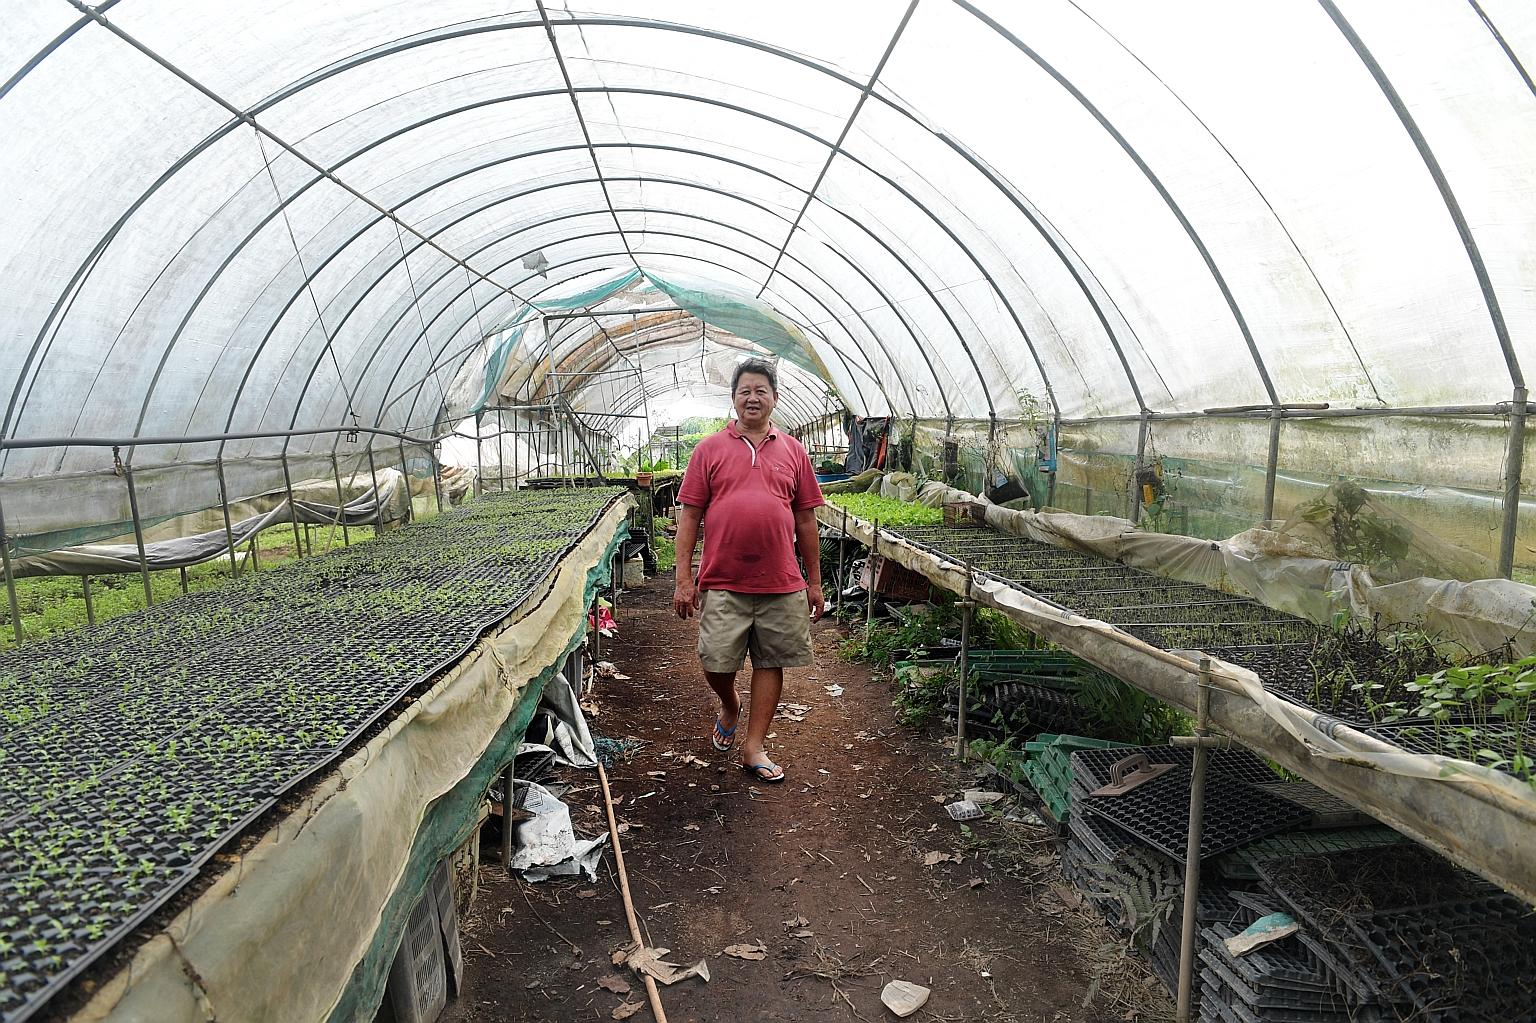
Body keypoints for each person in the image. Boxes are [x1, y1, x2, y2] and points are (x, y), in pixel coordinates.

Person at [673, 359, 825, 784]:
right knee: (715, 661)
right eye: (745, 390)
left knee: (771, 660)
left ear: (774, 398)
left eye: (761, 390)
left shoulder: (794, 451)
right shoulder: (709, 450)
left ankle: (754, 745)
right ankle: (730, 704)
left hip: (781, 580)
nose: (752, 397)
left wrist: (813, 581)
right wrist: (685, 578)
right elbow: (690, 517)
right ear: (734, 398)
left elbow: (807, 520)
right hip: (723, 578)